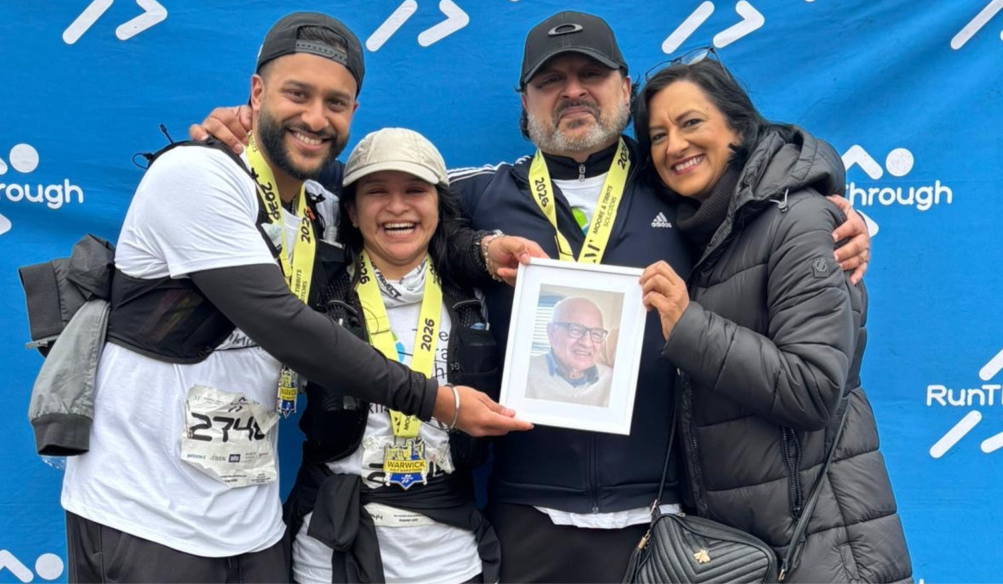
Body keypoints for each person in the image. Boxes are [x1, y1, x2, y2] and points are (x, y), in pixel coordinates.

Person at [190, 11, 873, 582]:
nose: (571, 91)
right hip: (527, 519)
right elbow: (366, 190)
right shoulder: (477, 193)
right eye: (550, 81)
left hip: (666, 517)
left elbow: (765, 181)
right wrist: (244, 140)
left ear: (625, 90)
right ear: (524, 104)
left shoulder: (682, 189)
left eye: (590, 76)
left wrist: (832, 206)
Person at [60, 14, 530, 583]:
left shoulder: (321, 211)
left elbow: (401, 223)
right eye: (297, 94)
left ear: (352, 113)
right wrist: (440, 402)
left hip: (252, 523)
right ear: (256, 94)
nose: (315, 117)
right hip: (145, 513)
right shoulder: (196, 175)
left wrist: (477, 251)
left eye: (336, 102)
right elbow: (280, 322)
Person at [634, 49, 910, 582]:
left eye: (691, 123)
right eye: (659, 136)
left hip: (826, 546)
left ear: (738, 127)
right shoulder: (702, 231)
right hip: (746, 549)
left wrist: (688, 326)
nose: (676, 145)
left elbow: (812, 387)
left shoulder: (801, 219)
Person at [283, 128, 502, 584]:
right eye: (377, 192)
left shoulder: (477, 300)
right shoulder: (313, 293)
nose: (397, 207)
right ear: (351, 211)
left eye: (415, 191)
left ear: (440, 206)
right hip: (330, 553)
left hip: (448, 555)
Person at [526, 296, 613, 407]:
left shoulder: (613, 381)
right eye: (575, 330)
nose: (587, 343)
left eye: (596, 333)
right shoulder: (524, 372)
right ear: (552, 333)